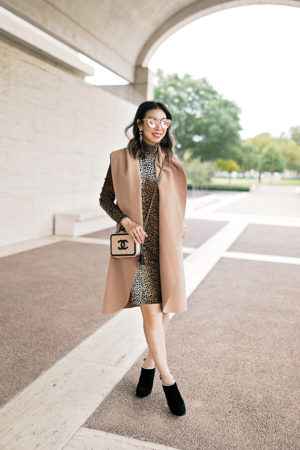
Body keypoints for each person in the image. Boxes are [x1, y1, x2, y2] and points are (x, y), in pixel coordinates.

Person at [99, 100, 187, 416]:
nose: (158, 126)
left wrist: (180, 225)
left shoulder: (170, 162)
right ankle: (168, 380)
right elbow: (105, 199)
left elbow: (175, 202)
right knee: (151, 314)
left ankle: (149, 364)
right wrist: (127, 222)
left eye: (164, 121)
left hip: (166, 246)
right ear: (139, 124)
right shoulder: (122, 159)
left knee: (165, 311)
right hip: (137, 250)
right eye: (152, 120)